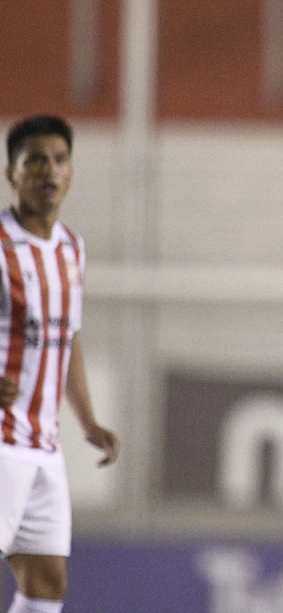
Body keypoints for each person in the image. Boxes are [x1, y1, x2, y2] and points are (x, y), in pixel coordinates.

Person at [0, 116, 119, 613]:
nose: (49, 170)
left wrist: (87, 420)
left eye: (59, 159)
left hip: (44, 445)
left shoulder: (72, 247)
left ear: (71, 172)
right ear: (12, 173)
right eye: (35, 160)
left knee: (47, 584)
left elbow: (66, 339)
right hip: (1, 441)